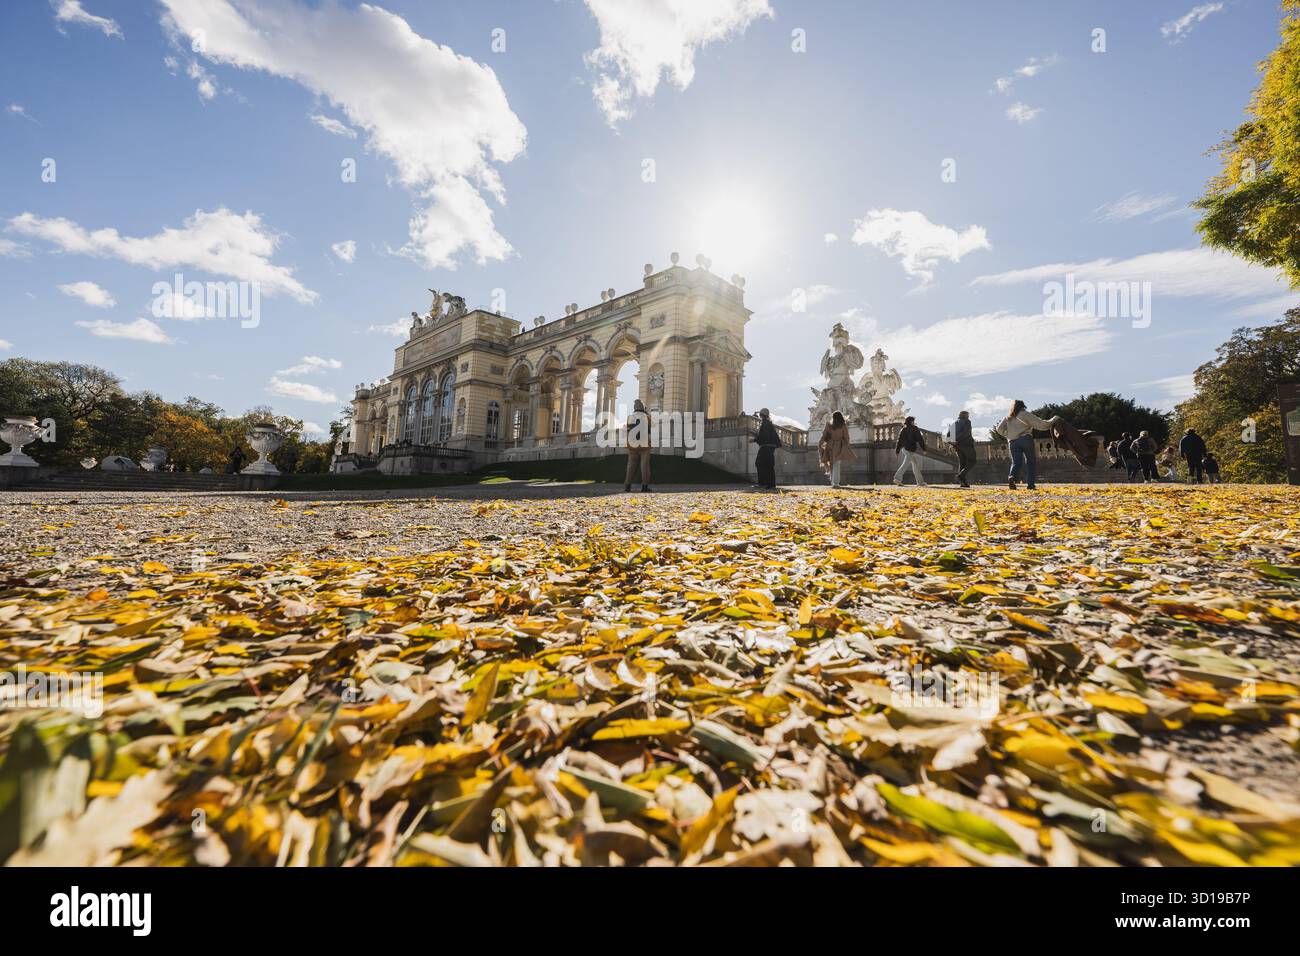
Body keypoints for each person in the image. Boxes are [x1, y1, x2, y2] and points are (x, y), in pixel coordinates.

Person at [992, 400, 1052, 490]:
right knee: (1030, 462)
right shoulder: (1025, 414)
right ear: (1023, 406)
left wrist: (1007, 434)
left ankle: (1011, 476)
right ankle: (1030, 485)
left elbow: (999, 429)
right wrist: (1053, 420)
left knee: (1016, 462)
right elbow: (1040, 424)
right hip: (1025, 439)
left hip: (1012, 442)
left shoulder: (1008, 417)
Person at [818, 410, 855, 488]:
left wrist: (820, 444)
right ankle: (835, 483)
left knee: (832, 464)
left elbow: (824, 436)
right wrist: (845, 446)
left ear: (834, 418)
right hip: (838, 446)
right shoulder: (843, 426)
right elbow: (847, 438)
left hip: (830, 446)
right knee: (836, 464)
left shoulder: (829, 425)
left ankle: (833, 482)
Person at [624, 398, 652, 492]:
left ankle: (627, 485)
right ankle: (644, 486)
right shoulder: (647, 417)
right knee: (644, 465)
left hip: (632, 442)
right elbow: (652, 428)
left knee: (631, 464)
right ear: (643, 407)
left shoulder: (630, 417)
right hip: (644, 443)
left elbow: (627, 428)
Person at [752, 408, 782, 490]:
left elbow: (762, 437)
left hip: (765, 447)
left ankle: (763, 483)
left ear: (761, 415)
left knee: (759, 463)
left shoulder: (765, 423)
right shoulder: (769, 423)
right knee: (769, 465)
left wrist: (754, 439)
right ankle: (771, 484)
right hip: (771, 447)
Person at [893, 415, 927, 486]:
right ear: (911, 422)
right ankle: (897, 478)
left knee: (915, 464)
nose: (914, 422)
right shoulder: (914, 428)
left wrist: (897, 451)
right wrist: (924, 448)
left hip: (904, 449)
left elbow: (899, 441)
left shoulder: (903, 429)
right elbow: (920, 439)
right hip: (910, 449)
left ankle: (920, 482)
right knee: (905, 464)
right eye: (913, 421)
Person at [950, 410, 976, 487]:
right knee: (972, 461)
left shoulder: (954, 423)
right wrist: (959, 440)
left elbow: (948, 435)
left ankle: (963, 483)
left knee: (962, 463)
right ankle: (961, 475)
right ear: (966, 415)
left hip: (957, 445)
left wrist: (953, 442)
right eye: (968, 415)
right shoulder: (967, 421)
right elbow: (966, 432)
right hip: (966, 444)